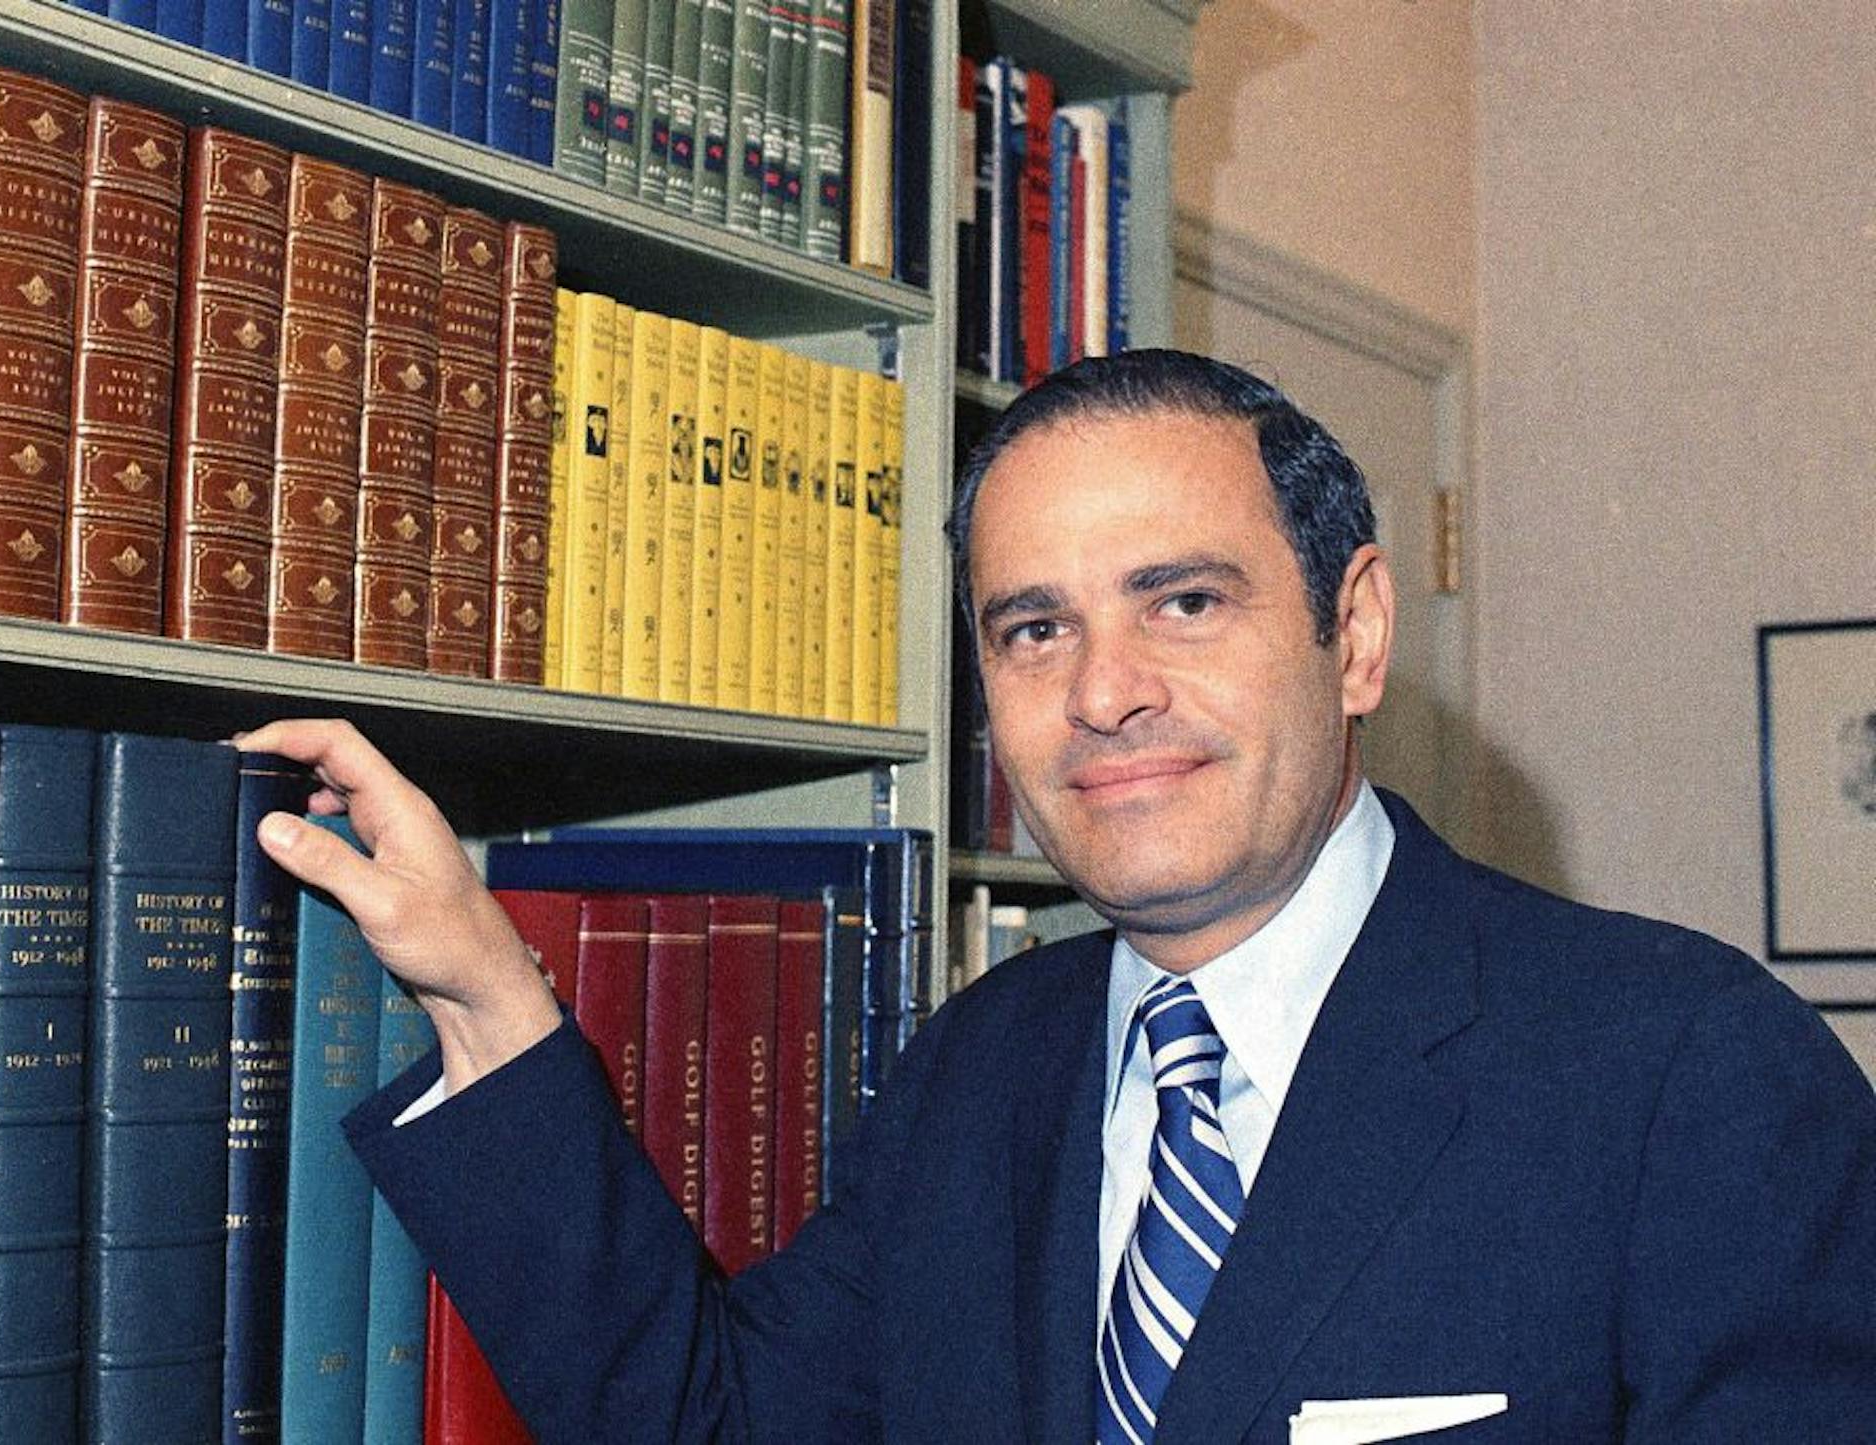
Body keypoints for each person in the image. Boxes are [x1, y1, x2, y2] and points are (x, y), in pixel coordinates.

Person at [237, 349, 1876, 1443]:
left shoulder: (1685, 1070)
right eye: (1034, 629)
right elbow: (712, 1418)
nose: (1104, 691)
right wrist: (488, 997)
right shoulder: (974, 1070)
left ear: (1356, 631)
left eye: (1182, 599)